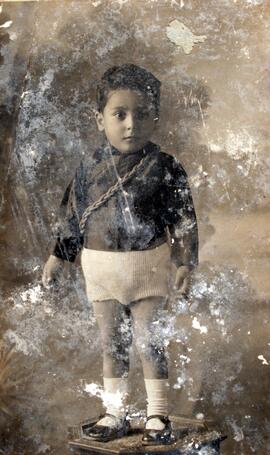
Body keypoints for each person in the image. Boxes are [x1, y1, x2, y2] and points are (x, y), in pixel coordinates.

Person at [42, 64, 198, 445]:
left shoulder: (165, 167)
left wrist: (184, 262)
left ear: (156, 118)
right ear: (100, 120)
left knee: (150, 342)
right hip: (101, 271)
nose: (131, 124)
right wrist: (58, 257)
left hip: (147, 268)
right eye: (120, 114)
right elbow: (71, 216)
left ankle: (157, 413)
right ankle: (115, 412)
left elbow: (184, 220)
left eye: (142, 114)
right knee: (112, 344)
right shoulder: (88, 169)